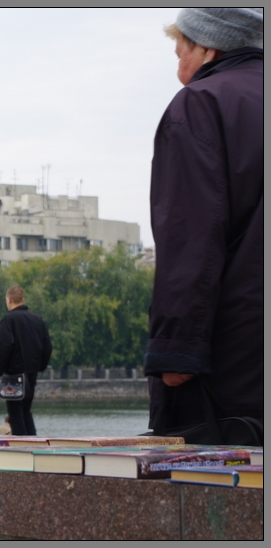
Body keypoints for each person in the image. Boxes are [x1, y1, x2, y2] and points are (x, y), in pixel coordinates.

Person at [144, 9, 263, 431]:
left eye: (180, 53)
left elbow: (191, 236)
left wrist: (177, 350)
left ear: (206, 46)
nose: (179, 72)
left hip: (232, 355)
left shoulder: (200, 104)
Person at [0, 286, 52, 436]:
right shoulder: (38, 320)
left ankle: (21, 446)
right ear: (23, 300)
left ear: (9, 300)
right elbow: (47, 347)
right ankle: (34, 442)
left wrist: (1, 369)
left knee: (15, 412)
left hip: (13, 374)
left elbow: (3, 346)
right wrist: (40, 366)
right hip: (31, 374)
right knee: (26, 409)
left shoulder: (9, 319)